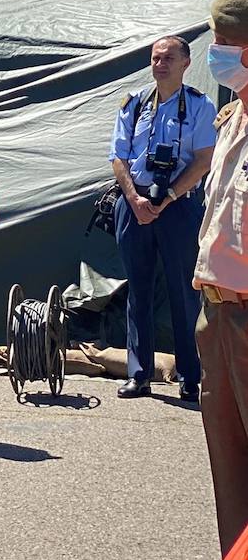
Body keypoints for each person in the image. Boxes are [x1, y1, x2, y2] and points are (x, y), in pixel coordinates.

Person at [109, 35, 215, 401]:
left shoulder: (201, 106)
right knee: (137, 290)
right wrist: (134, 198)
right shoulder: (134, 104)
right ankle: (139, 375)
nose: (161, 64)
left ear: (187, 63)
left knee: (183, 291)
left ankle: (189, 375)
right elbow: (118, 157)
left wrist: (168, 196)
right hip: (134, 202)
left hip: (179, 205)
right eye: (156, 58)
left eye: (169, 57)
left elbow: (203, 160)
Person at [192, 0, 248, 558]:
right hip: (217, 315)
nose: (216, 53)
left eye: (225, 42)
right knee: (230, 473)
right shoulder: (231, 119)